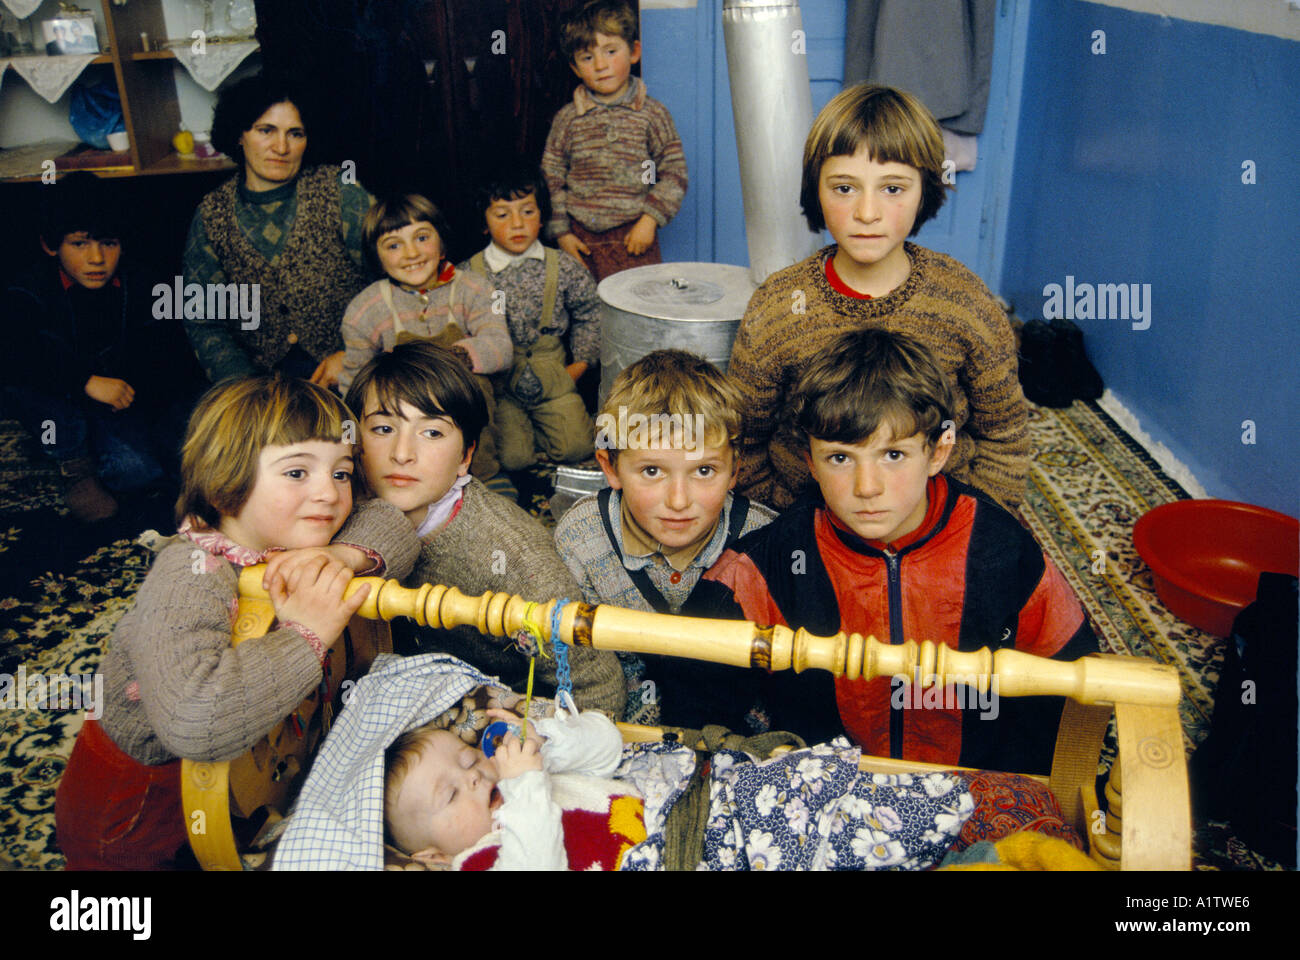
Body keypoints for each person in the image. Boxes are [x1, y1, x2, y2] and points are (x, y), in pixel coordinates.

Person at [54, 375, 419, 869]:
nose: (330, 494)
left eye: (341, 472)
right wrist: (306, 638)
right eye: (296, 473)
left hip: (239, 784)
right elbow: (195, 721)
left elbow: (392, 522)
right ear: (225, 486)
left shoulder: (296, 535)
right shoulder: (189, 574)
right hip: (138, 818)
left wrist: (342, 555)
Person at [695, 328, 1098, 775]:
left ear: (938, 451)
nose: (867, 487)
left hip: (973, 780)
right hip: (827, 784)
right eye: (840, 458)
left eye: (893, 455)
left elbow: (1070, 677)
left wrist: (1015, 781)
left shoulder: (1000, 549)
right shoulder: (774, 559)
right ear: (810, 462)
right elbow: (698, 685)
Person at [729, 83, 1029, 512]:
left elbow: (1005, 435)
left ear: (925, 189)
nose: (867, 213)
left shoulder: (964, 302)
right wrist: (785, 518)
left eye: (893, 188)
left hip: (940, 526)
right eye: (844, 188)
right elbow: (744, 438)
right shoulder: (779, 306)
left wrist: (974, 529)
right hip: (812, 525)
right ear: (816, 190)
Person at [343, 342, 623, 714]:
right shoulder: (338, 503)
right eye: (382, 428)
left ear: (465, 457)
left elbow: (597, 688)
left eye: (432, 433)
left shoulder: (516, 558)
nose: (402, 453)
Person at [553, 350, 775, 725]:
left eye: (703, 470)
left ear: (735, 469)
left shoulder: (764, 542)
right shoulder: (580, 539)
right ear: (611, 468)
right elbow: (582, 666)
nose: (678, 500)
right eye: (652, 470)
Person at [2, 172, 197, 522]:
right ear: (51, 246)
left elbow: (166, 356)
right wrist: (83, 381)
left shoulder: (141, 283)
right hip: (56, 394)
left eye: (108, 244)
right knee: (34, 392)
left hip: (112, 400)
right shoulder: (27, 290)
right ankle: (75, 466)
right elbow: (19, 354)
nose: (96, 259)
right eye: (79, 244)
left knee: (136, 471)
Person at [182, 74, 371, 388]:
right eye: (265, 130)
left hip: (350, 375)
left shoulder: (340, 190)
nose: (281, 147)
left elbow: (396, 281)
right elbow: (203, 321)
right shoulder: (211, 214)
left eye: (295, 134)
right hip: (261, 388)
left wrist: (355, 355)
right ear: (239, 135)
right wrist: (244, 389)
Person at [339, 193, 510, 482]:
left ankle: (484, 477)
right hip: (403, 406)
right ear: (377, 259)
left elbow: (502, 349)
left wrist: (452, 361)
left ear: (442, 244)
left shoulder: (476, 288)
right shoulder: (363, 310)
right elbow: (353, 381)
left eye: (421, 238)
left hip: (462, 398)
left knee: (482, 397)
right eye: (394, 245)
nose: (411, 253)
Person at [384, 692, 640, 870]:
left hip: (666, 813)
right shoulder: (480, 861)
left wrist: (547, 741)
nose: (472, 775)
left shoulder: (532, 771)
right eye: (450, 794)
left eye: (470, 760)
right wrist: (525, 784)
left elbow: (610, 747)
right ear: (436, 857)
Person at [458, 169, 600, 469]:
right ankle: (526, 434)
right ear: (484, 222)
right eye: (502, 215)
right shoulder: (468, 275)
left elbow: (591, 313)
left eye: (527, 211)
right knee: (513, 458)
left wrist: (581, 364)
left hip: (555, 374)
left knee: (578, 446)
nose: (517, 224)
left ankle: (550, 427)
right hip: (502, 385)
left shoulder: (563, 266)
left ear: (542, 215)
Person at [541, 0, 687, 281]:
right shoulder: (567, 119)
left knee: (638, 310)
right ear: (574, 67)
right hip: (581, 241)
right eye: (587, 57)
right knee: (588, 317)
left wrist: (649, 220)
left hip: (635, 238)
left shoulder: (651, 114)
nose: (600, 65)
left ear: (633, 52)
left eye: (611, 51)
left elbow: (674, 173)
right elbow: (552, 178)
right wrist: (561, 233)